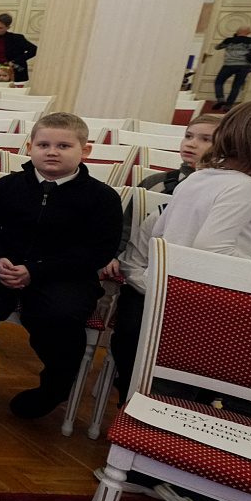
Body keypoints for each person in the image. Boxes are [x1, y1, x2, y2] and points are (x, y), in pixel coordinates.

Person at [106, 100, 251, 501]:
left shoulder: (203, 177)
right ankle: (207, 483)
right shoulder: (248, 189)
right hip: (215, 316)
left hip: (177, 310)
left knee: (178, 396)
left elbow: (168, 242)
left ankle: (154, 468)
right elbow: (212, 254)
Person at [0, 113, 123, 421]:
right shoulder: (7, 186)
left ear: (84, 151)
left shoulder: (102, 198)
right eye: (43, 144)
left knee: (59, 317)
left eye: (63, 145)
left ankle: (52, 390)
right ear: (30, 147)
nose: (52, 151)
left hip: (62, 274)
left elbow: (98, 251)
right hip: (1, 267)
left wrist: (36, 270)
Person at [100, 114, 222, 410]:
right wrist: (116, 256)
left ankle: (190, 404)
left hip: (200, 289)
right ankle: (132, 395)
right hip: (145, 281)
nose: (193, 144)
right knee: (130, 331)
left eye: (206, 139)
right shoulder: (156, 184)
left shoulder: (232, 192)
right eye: (189, 136)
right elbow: (127, 229)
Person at [212, 26, 251, 109]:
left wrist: (233, 39)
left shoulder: (229, 40)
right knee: (236, 86)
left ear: (237, 32)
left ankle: (220, 98)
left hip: (229, 65)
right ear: (248, 32)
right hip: (244, 66)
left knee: (219, 82)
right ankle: (228, 105)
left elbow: (217, 47)